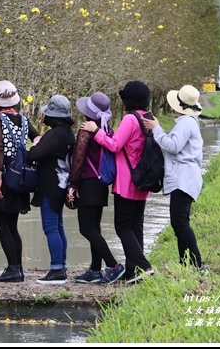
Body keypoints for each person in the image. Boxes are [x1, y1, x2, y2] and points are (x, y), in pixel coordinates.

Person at [81, 81, 155, 284]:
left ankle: (143, 265)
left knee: (122, 226)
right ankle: (133, 272)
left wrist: (96, 131)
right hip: (143, 179)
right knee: (135, 226)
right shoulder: (149, 118)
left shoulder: (130, 119)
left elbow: (114, 145)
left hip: (127, 180)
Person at [143, 85, 208, 274]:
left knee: (179, 222)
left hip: (184, 178)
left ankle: (196, 264)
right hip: (186, 177)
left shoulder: (186, 122)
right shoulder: (188, 121)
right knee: (180, 221)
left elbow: (173, 146)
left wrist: (157, 129)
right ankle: (186, 263)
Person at [0, 80, 40, 282]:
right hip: (20, 174)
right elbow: (37, 138)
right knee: (12, 224)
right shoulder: (23, 120)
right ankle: (18, 269)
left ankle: (13, 269)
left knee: (1, 224)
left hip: (5, 173)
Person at [68, 91, 126, 285]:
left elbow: (78, 159)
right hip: (101, 184)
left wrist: (72, 184)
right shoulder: (106, 129)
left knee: (86, 228)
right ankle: (94, 269)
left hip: (88, 183)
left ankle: (113, 265)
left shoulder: (86, 130)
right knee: (95, 228)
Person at [28, 95, 76, 284]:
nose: (44, 117)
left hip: (50, 185)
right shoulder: (68, 133)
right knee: (58, 227)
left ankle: (56, 269)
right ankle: (61, 266)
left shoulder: (54, 134)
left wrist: (35, 144)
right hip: (62, 184)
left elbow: (35, 154)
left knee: (50, 228)